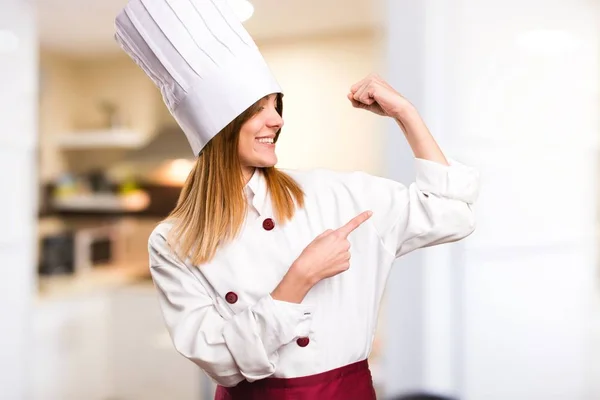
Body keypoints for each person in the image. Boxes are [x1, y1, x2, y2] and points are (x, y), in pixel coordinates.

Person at [114, 0, 479, 399]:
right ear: (219, 125)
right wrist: (300, 278)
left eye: (277, 106)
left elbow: (451, 214)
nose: (278, 120)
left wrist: (406, 114)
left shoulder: (333, 195)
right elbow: (217, 360)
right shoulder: (173, 240)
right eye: (258, 109)